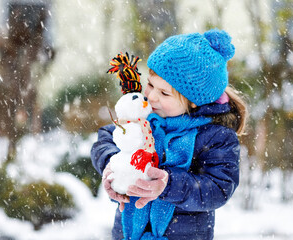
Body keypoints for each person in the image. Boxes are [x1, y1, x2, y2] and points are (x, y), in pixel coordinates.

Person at [91, 29, 248, 240]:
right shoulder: (142, 116)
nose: (151, 96)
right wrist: (113, 163)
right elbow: (106, 138)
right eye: (150, 84)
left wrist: (170, 184)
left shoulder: (215, 137)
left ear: (194, 101)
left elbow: (219, 187)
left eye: (164, 93)